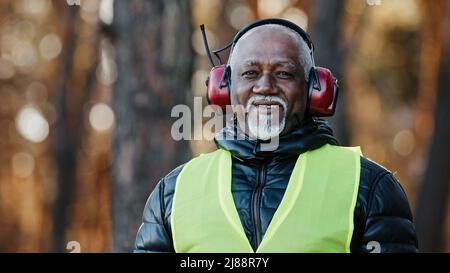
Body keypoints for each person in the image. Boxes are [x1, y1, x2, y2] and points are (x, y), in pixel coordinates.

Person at [134, 18, 418, 253]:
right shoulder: (172, 193)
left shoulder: (370, 188)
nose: (265, 86)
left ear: (315, 90)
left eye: (283, 73)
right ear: (223, 87)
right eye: (250, 73)